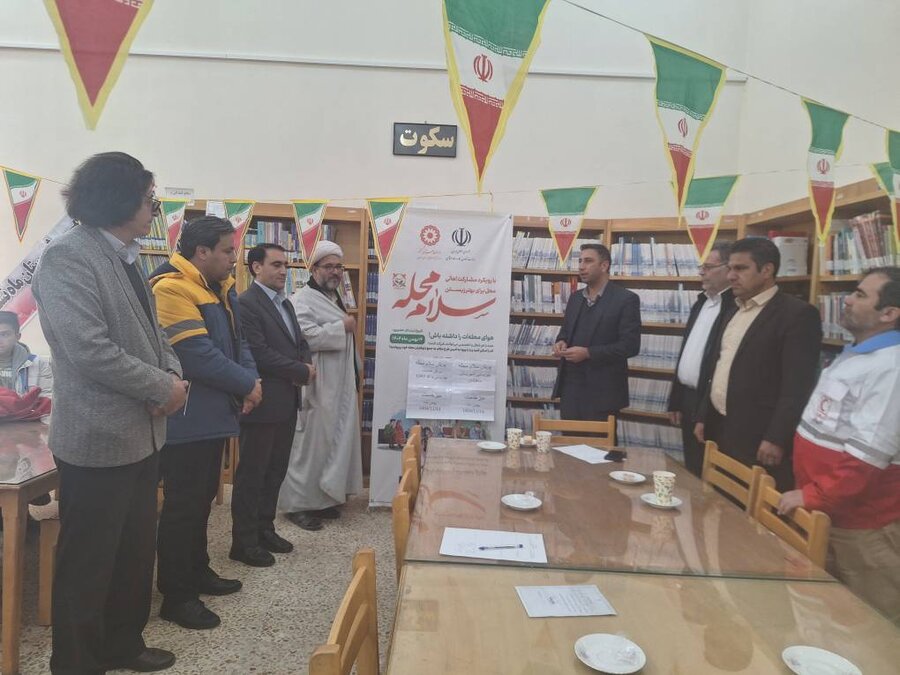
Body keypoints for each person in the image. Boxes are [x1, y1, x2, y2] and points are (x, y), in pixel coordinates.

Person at [32, 152, 187, 674]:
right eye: (150, 201)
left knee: (134, 554)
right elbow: (89, 350)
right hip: (97, 440)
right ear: (119, 200)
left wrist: (172, 377)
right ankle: (76, 662)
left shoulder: (126, 256)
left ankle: (123, 644)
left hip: (144, 435)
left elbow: (154, 333)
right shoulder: (67, 257)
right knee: (89, 562)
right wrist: (162, 387)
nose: (155, 210)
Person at [149, 216, 261, 630]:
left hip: (213, 416)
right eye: (228, 251)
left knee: (200, 504)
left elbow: (239, 345)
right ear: (201, 252)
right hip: (187, 421)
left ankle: (197, 571)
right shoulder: (170, 287)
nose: (234, 258)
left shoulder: (220, 287)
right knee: (183, 508)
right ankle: (177, 596)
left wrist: (252, 382)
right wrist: (247, 384)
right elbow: (196, 355)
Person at [778, 267, 900, 623]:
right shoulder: (859, 355)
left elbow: (869, 455)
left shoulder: (892, 367)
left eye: (860, 295)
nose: (846, 300)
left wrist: (814, 496)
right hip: (829, 515)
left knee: (868, 623)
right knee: (822, 616)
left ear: (889, 313)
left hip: (861, 526)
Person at [695, 238, 821, 490]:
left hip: (758, 436)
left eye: (741, 268)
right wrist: (703, 416)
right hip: (720, 426)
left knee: (748, 507)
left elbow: (798, 386)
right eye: (730, 268)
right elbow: (718, 367)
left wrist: (777, 437)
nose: (731, 276)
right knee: (718, 500)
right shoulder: (733, 309)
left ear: (767, 270)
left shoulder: (797, 315)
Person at [232, 243, 315, 563]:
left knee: (275, 471)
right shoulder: (246, 303)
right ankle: (244, 542)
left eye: (286, 266)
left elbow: (300, 342)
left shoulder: (285, 303)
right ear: (256, 267)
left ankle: (265, 529)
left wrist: (305, 364)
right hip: (262, 402)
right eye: (276, 265)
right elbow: (258, 353)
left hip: (287, 401)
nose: (284, 271)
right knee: (252, 474)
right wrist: (300, 371)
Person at [279, 241, 362, 530]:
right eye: (328, 266)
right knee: (308, 447)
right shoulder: (302, 299)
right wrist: (341, 327)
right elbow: (304, 338)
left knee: (329, 443)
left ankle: (321, 501)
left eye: (339, 267)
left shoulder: (332, 297)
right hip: (316, 384)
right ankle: (297, 506)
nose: (335, 272)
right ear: (313, 269)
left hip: (338, 384)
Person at [666, 242, 735, 476]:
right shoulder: (701, 303)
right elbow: (687, 352)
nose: (702, 272)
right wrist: (675, 398)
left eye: (708, 267)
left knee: (708, 472)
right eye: (701, 267)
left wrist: (705, 414)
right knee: (692, 466)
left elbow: (718, 365)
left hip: (709, 401)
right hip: (687, 396)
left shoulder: (733, 308)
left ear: (728, 269)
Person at [552, 243, 641, 420]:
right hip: (571, 391)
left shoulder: (625, 300)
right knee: (569, 437)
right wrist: (561, 342)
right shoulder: (576, 298)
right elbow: (566, 332)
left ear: (604, 265)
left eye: (588, 261)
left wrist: (588, 353)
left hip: (603, 394)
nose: (581, 266)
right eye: (580, 261)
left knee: (599, 439)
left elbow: (630, 346)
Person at [0, 310, 53, 421]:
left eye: (4, 334)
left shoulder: (39, 364)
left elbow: (49, 404)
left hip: (28, 425)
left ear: (17, 336)